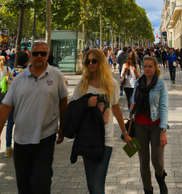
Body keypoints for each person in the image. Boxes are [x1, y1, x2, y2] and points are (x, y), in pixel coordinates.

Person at [0, 41, 68, 194]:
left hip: (46, 137)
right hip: (21, 139)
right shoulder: (19, 79)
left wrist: (63, 127)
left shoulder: (56, 75)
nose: (39, 57)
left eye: (43, 54)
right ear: (30, 55)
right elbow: (5, 107)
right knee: (24, 185)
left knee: (41, 182)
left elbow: (63, 101)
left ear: (47, 55)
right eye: (36, 53)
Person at [71, 48, 131, 194]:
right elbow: (72, 107)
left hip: (106, 140)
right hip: (87, 138)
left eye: (94, 61)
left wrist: (125, 132)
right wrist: (86, 103)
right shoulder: (82, 85)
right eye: (88, 61)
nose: (91, 64)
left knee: (97, 186)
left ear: (101, 63)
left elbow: (116, 109)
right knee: (92, 185)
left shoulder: (112, 85)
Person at [131, 56, 168, 194]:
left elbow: (163, 107)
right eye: (145, 66)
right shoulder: (137, 83)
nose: (147, 69)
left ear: (155, 67)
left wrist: (163, 130)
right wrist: (132, 104)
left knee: (157, 160)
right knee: (143, 161)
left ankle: (160, 177)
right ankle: (148, 189)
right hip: (139, 126)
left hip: (156, 126)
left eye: (150, 66)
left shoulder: (160, 84)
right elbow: (133, 100)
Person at [5, 51, 29, 157]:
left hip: (12, 102)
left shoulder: (13, 71)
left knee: (10, 125)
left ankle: (7, 148)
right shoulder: (27, 73)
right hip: (23, 103)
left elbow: (10, 85)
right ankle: (21, 148)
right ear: (25, 62)